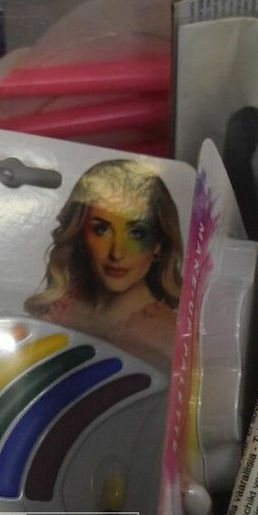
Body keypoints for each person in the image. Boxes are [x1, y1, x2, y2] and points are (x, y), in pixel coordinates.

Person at [25, 159, 183, 372]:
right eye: (102, 230)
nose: (117, 253)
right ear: (80, 234)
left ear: (159, 244)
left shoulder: (169, 338)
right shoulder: (60, 306)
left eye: (136, 233)